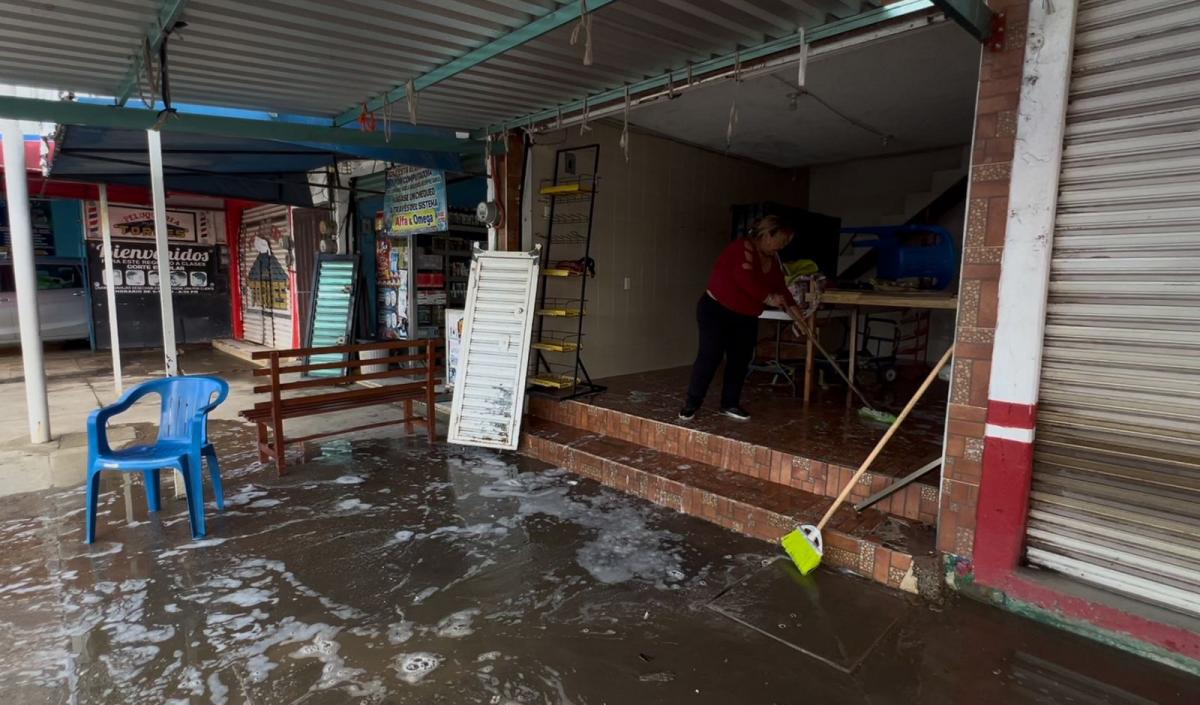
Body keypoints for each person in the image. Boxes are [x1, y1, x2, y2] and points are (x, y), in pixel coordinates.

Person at [680, 215, 797, 422]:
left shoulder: (773, 259)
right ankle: (692, 403)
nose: (782, 245)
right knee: (710, 355)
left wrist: (796, 314)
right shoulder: (742, 248)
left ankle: (730, 404)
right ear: (767, 234)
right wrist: (768, 298)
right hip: (716, 310)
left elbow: (781, 288)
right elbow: (744, 279)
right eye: (781, 240)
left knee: (740, 360)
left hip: (745, 316)